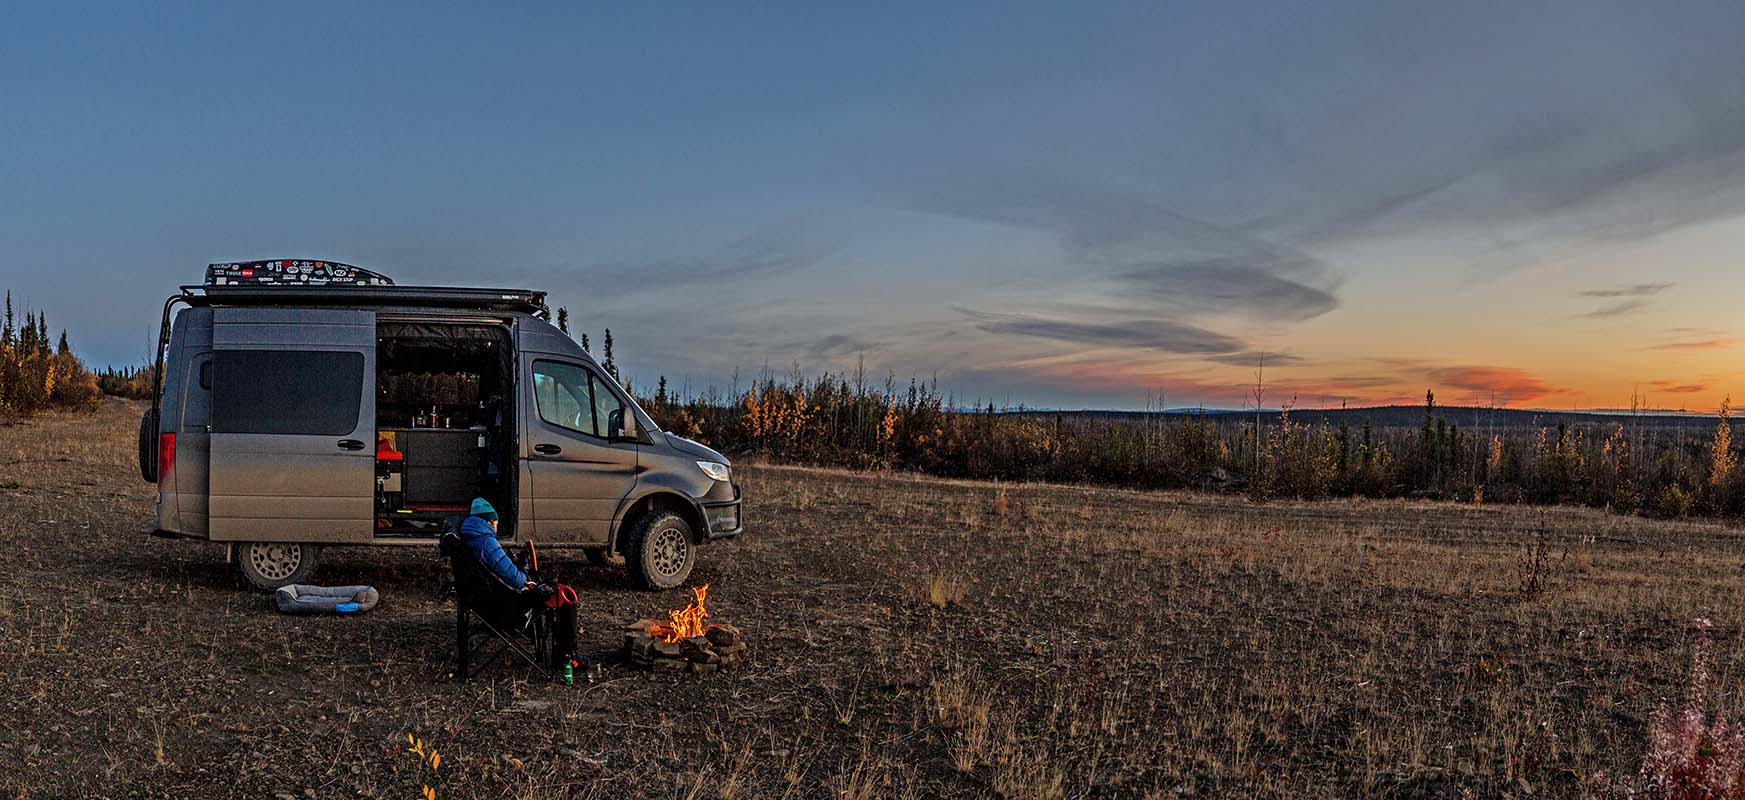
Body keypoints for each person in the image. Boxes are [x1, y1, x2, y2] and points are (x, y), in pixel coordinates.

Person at [457, 497, 531, 590]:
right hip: (493, 593)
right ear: (490, 522)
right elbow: (511, 575)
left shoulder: (467, 538)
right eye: (496, 524)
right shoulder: (488, 542)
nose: (496, 529)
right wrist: (523, 578)